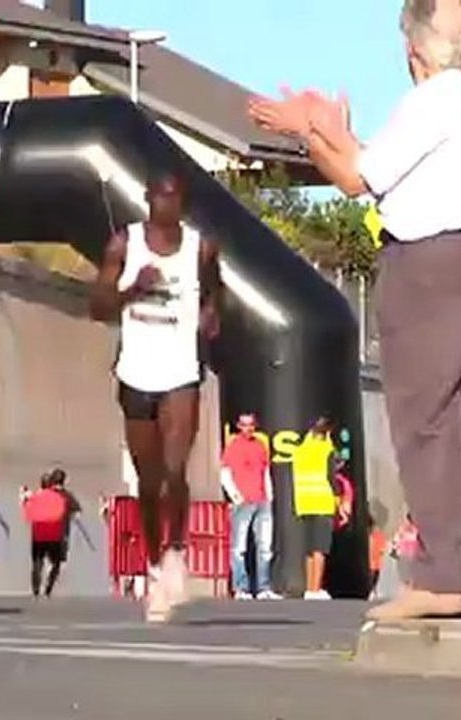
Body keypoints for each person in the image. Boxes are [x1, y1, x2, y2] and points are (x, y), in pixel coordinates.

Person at [249, 0, 461, 619]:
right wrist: (327, 131)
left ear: (413, 49)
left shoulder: (429, 103)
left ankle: (443, 577)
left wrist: (310, 130)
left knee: (427, 423)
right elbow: (380, 166)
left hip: (431, 265)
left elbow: (355, 177)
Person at [89, 172, 222, 622]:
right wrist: (133, 289)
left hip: (182, 371)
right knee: (148, 483)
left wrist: (210, 314)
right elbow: (97, 308)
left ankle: (175, 553)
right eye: (161, 196)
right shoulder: (124, 244)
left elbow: (214, 290)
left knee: (174, 469)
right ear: (147, 199)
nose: (168, 204)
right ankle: (150, 564)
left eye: (175, 196)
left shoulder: (201, 247)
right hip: (136, 371)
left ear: (183, 201)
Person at [220, 413, 280, 600]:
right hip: (243, 503)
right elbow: (224, 472)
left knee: (265, 547)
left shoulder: (261, 446)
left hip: (262, 501)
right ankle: (241, 588)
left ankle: (263, 588)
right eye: (244, 425)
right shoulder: (233, 446)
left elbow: (265, 472)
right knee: (239, 548)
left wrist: (269, 496)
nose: (248, 428)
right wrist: (236, 496)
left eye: (251, 425)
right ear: (239, 426)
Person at [293, 418, 343, 600]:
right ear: (327, 433)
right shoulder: (326, 450)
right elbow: (331, 478)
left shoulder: (300, 451)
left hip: (304, 504)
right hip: (322, 502)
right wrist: (339, 504)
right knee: (320, 548)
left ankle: (309, 588)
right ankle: (316, 589)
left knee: (309, 550)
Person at [22, 474, 69, 598]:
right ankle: (48, 586)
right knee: (56, 563)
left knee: (37, 562)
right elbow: (63, 513)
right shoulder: (59, 497)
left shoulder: (34, 497)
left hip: (39, 534)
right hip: (54, 534)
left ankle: (36, 589)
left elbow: (27, 514)